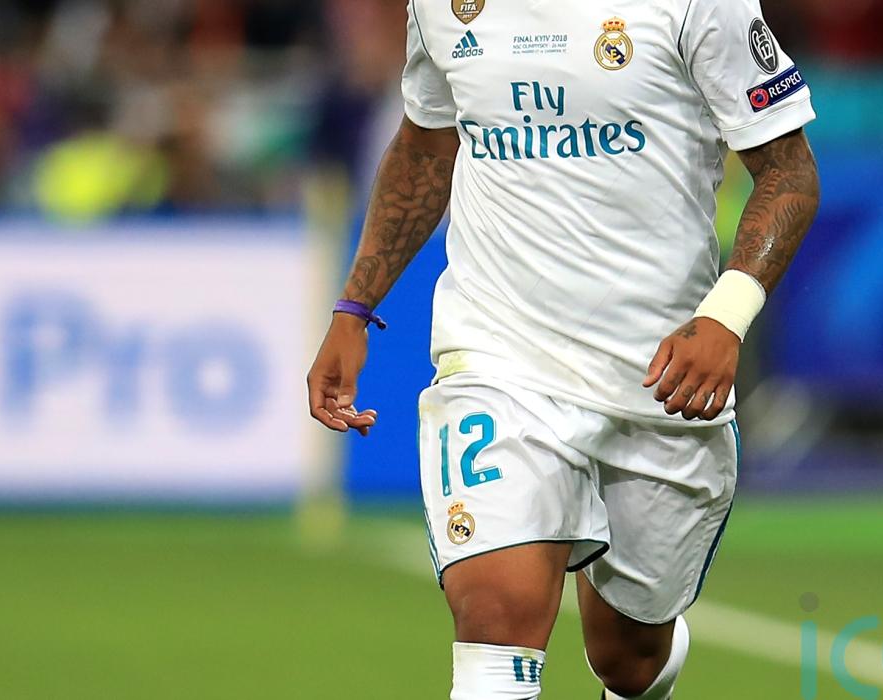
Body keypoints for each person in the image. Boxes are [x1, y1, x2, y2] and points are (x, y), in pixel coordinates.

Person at [307, 0, 820, 697]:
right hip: (496, 355)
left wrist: (725, 318)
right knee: (495, 617)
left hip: (658, 374)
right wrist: (354, 308)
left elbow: (789, 170)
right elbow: (426, 146)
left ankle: (645, 660)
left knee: (627, 657)